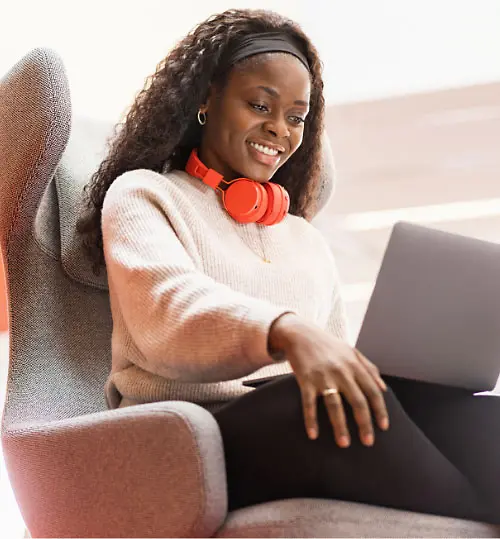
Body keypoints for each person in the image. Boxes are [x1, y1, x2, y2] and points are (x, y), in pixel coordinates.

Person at [77, 8, 500, 524]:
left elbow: (338, 359)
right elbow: (168, 310)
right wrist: (286, 331)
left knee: (482, 420)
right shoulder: (146, 195)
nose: (278, 129)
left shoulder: (304, 238)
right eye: (260, 105)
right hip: (188, 435)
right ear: (206, 98)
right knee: (324, 406)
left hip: (294, 419)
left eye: (296, 117)